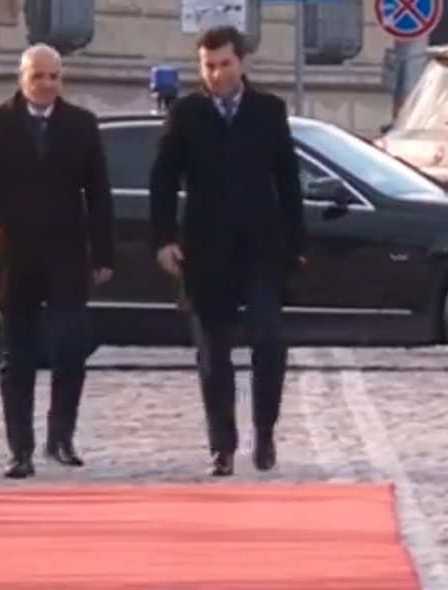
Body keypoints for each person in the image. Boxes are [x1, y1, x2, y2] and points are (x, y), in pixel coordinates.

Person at [149, 26, 306, 477]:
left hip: (261, 248)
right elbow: (163, 180)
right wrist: (164, 239)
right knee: (214, 353)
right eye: (209, 66)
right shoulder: (186, 114)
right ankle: (222, 445)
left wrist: (297, 244)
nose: (217, 74)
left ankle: (265, 431)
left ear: (242, 62)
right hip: (205, 251)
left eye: (225, 64)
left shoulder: (268, 110)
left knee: (269, 341)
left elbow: (288, 181)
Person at [0, 43, 115, 479]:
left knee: (69, 349)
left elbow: (99, 193)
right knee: (18, 356)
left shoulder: (81, 124)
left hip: (67, 254)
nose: (47, 84)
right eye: (38, 76)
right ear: (22, 79)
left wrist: (103, 253)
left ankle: (60, 438)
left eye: (54, 76)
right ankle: (20, 449)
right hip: (14, 255)